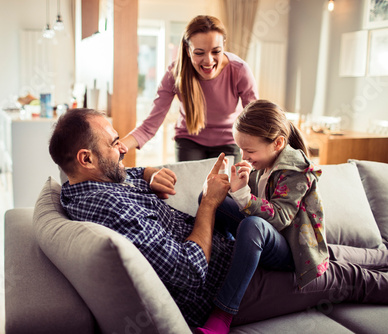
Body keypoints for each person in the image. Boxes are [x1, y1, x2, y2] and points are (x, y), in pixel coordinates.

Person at [48, 108, 388, 329]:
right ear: (86, 158)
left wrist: (147, 173)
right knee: (349, 278)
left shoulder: (86, 187)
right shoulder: (110, 210)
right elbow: (187, 270)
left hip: (240, 252)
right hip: (228, 285)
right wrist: (210, 203)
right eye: (113, 144)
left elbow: (124, 174)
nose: (123, 147)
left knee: (335, 252)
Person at [195, 99, 329, 334]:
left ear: (277, 143)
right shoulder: (260, 163)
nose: (244, 156)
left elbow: (279, 218)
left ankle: (223, 314)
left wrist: (243, 195)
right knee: (207, 198)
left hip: (289, 249)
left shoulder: (297, 171)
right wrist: (224, 188)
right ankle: (230, 251)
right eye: (240, 149)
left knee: (253, 226)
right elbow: (243, 204)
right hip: (262, 235)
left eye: (250, 150)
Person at [121, 15, 258, 162]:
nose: (209, 61)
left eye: (216, 51)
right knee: (190, 184)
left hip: (229, 141)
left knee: (228, 185)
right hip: (189, 140)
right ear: (187, 50)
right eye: (199, 53)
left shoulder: (239, 70)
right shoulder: (174, 73)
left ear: (223, 45)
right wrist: (119, 146)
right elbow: (149, 126)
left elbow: (255, 119)